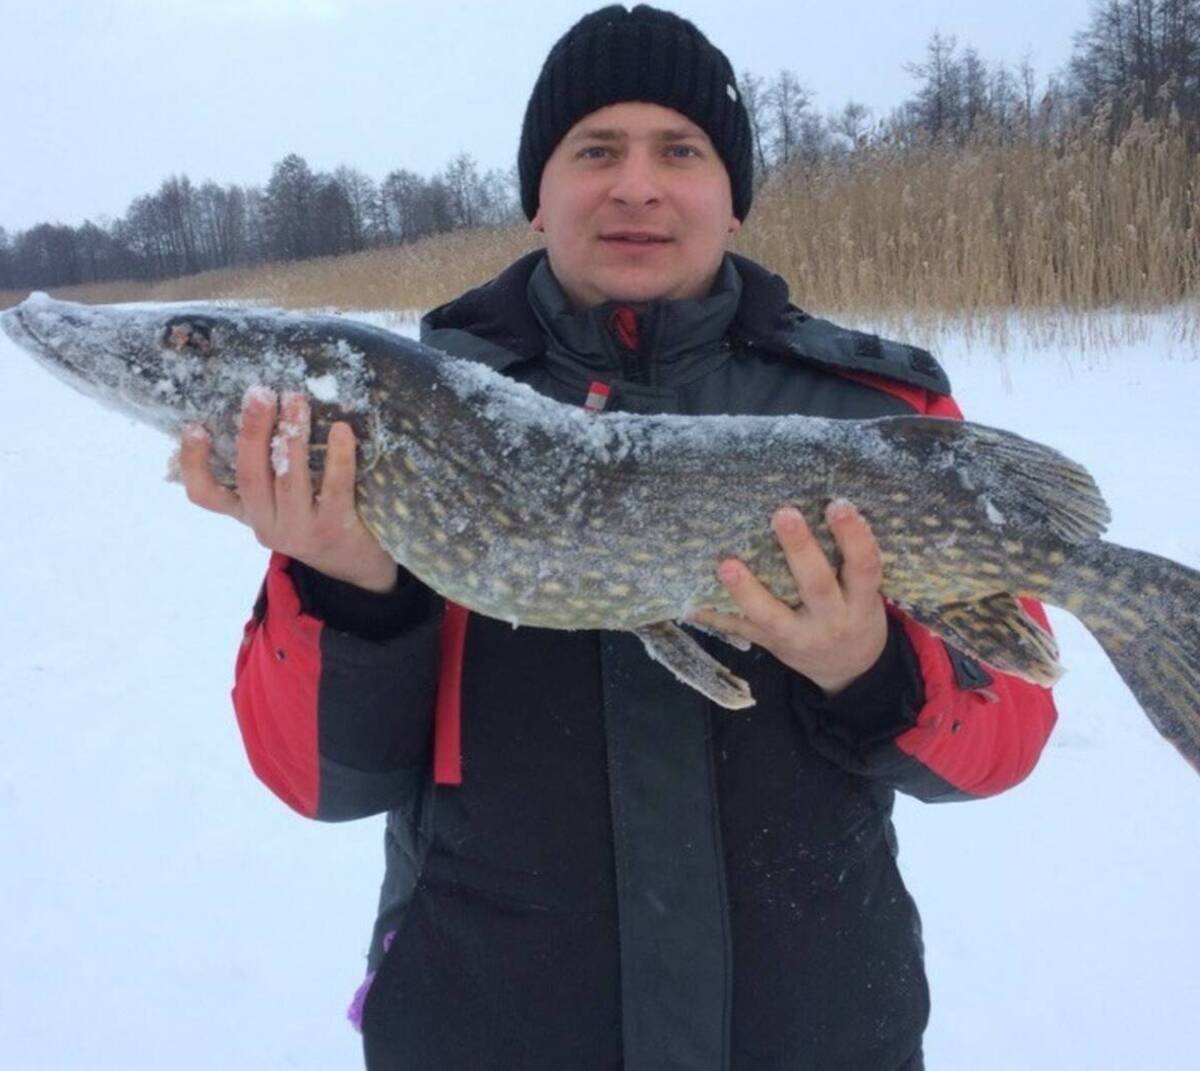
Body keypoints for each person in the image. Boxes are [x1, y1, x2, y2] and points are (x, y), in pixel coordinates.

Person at [180, 6, 1058, 1069]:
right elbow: (321, 783)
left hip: (815, 1033)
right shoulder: (410, 418)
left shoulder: (872, 414)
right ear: (536, 198)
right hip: (488, 1031)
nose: (636, 185)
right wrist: (351, 591)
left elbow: (1000, 745)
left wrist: (871, 670)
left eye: (679, 152)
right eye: (595, 150)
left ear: (732, 200)